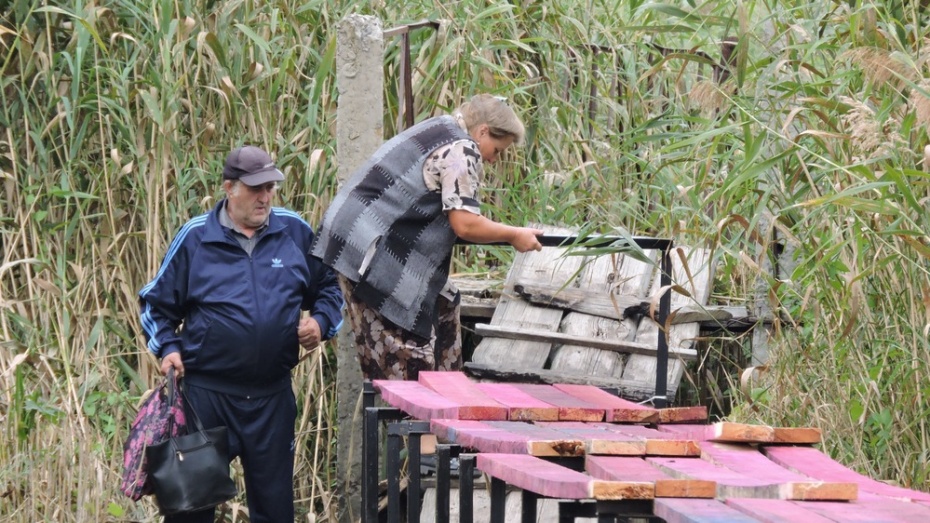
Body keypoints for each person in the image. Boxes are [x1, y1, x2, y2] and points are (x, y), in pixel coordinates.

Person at [138, 145, 344, 522]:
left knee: (275, 510)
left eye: (270, 187)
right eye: (255, 188)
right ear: (229, 188)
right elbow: (155, 304)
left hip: (271, 397)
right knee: (191, 511)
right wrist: (167, 347)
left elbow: (331, 289)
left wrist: (320, 323)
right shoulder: (196, 237)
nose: (265, 197)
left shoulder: (293, 231)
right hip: (206, 399)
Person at [312, 94, 543, 381]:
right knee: (407, 352)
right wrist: (513, 235)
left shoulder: (440, 127)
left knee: (445, 303)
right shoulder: (462, 148)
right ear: (483, 131)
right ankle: (423, 418)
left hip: (354, 238)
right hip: (367, 249)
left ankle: (448, 394)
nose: (493, 159)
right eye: (496, 149)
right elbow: (466, 224)